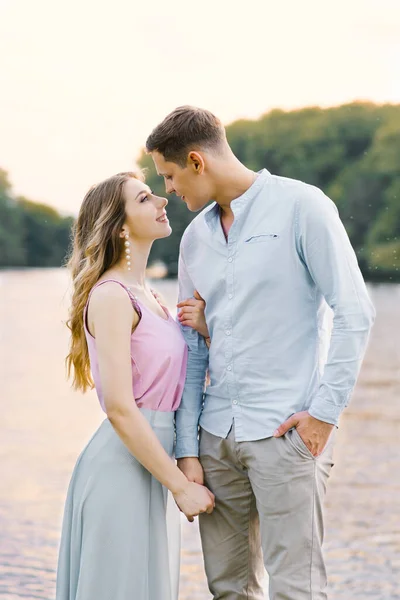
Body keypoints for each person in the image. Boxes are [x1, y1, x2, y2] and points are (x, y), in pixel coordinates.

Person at [146, 106, 376, 600]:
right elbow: (192, 346)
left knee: (297, 589)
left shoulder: (302, 206)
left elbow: (355, 312)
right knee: (228, 588)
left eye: (169, 176)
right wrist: (188, 448)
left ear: (195, 161)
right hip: (217, 439)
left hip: (286, 434)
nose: (169, 190)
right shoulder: (194, 240)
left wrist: (323, 416)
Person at [56, 171, 215, 600]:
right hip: (123, 467)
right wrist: (181, 487)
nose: (163, 200)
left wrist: (206, 329)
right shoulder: (111, 296)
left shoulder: (150, 297)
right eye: (145, 198)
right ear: (120, 225)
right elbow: (121, 408)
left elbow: (186, 380)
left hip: (155, 464)